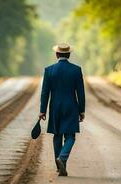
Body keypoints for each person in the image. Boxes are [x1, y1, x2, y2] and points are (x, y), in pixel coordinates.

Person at [39, 43, 86, 176]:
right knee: (70, 136)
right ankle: (63, 158)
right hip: (71, 106)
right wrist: (82, 110)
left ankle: (60, 166)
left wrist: (43, 110)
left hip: (55, 107)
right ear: (69, 55)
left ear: (56, 54)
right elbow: (80, 93)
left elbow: (45, 92)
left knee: (57, 135)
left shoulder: (49, 70)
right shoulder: (76, 70)